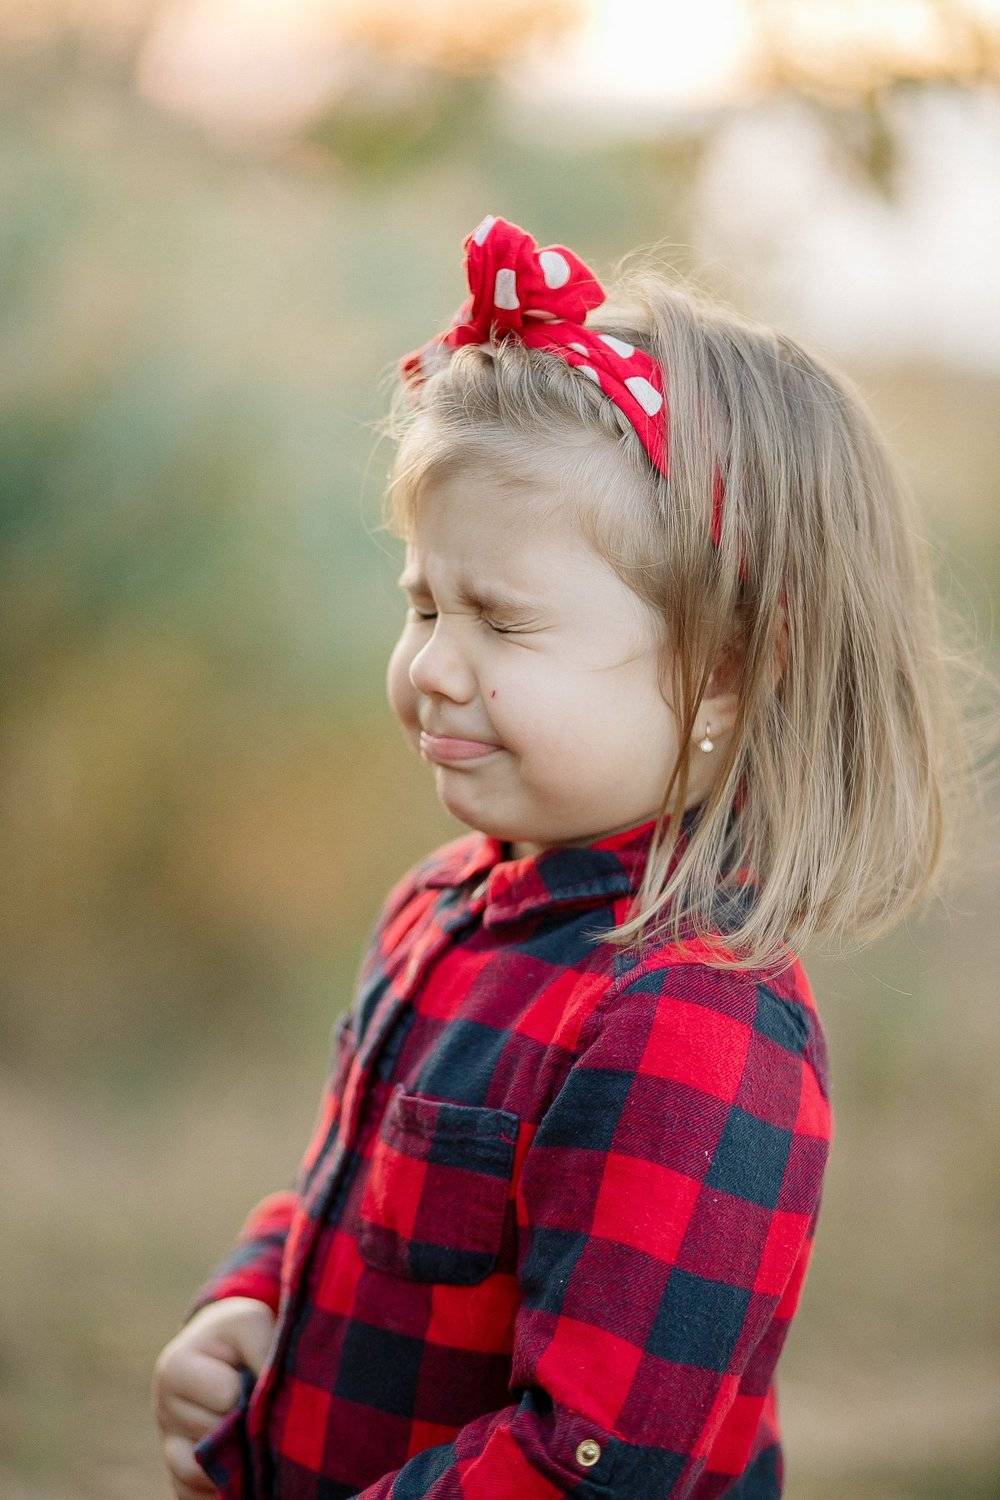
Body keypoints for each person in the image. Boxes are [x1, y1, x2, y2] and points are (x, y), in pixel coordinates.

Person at [151, 214, 982, 1497]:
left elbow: (591, 1467)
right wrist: (250, 1298)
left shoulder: (690, 1024)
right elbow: (361, 1202)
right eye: (424, 603)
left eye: (499, 621)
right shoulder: (443, 907)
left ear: (724, 671)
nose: (432, 665)